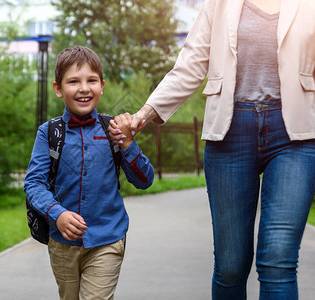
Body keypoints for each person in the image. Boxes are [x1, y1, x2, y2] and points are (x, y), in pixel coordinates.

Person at [110, 0, 315, 299]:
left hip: (294, 134)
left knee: (278, 262)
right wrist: (145, 112)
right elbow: (191, 64)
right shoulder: (219, 3)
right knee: (231, 266)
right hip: (231, 132)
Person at [24, 46, 154, 300]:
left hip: (107, 237)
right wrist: (57, 214)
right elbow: (34, 184)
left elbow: (144, 181)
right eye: (74, 81)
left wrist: (128, 144)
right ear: (58, 89)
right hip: (62, 241)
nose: (84, 88)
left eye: (91, 80)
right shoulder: (49, 133)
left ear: (102, 85)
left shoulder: (114, 130)